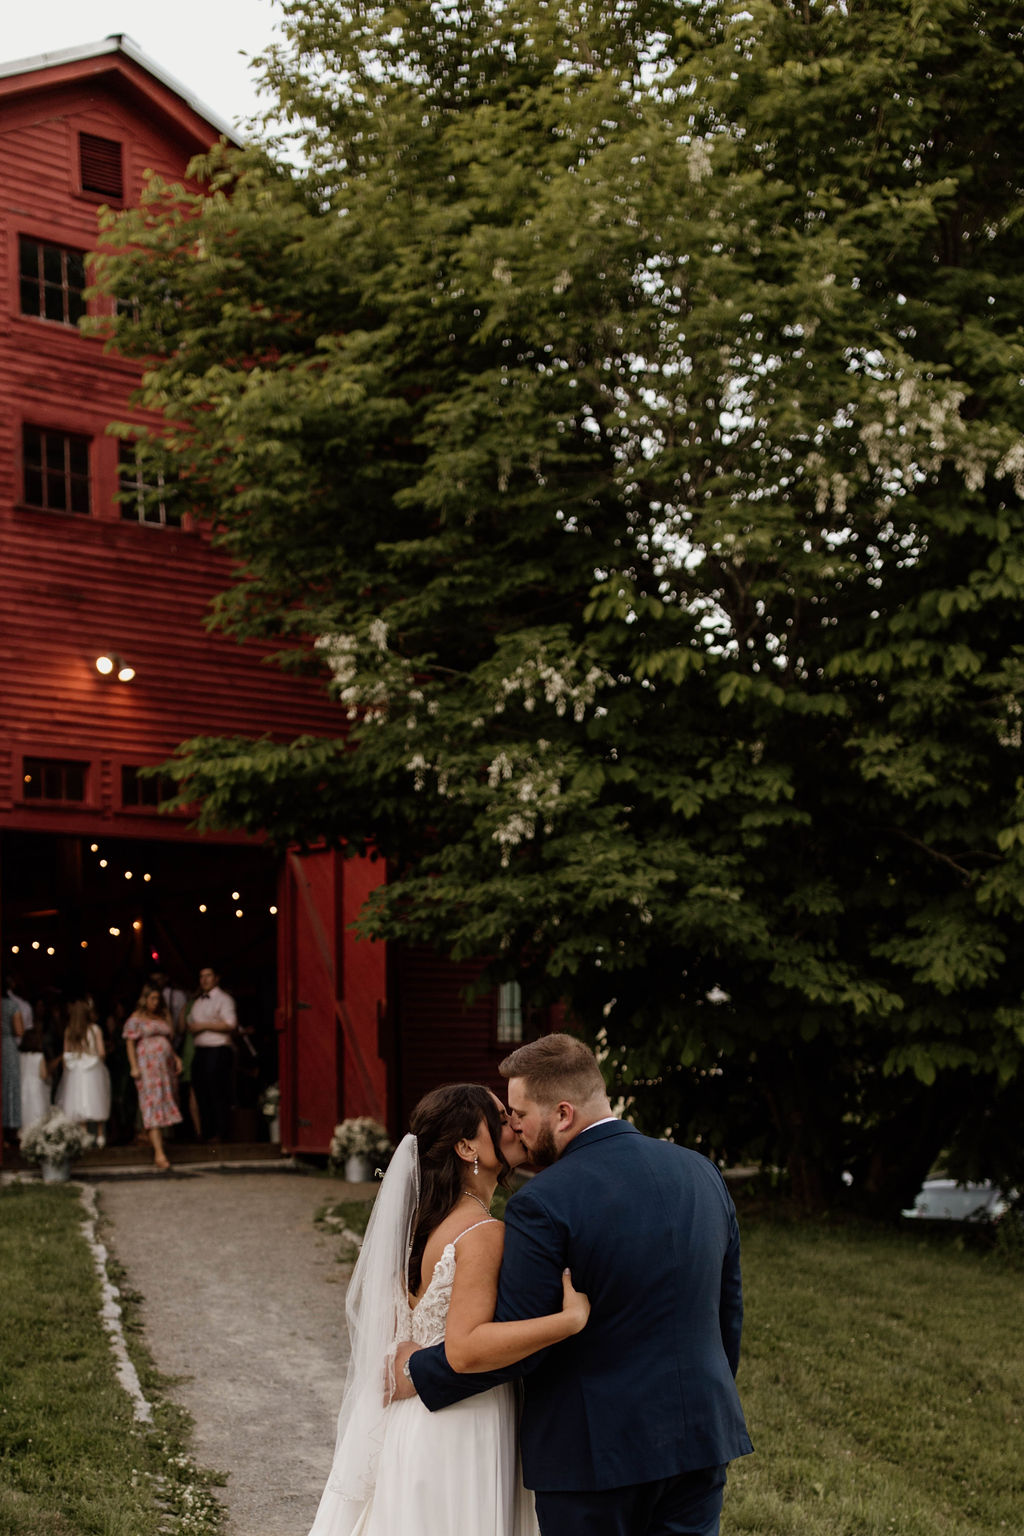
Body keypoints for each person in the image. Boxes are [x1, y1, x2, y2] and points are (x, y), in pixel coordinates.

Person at [395, 1034, 753, 1536]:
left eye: (518, 1113)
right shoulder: (701, 1173)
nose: (513, 1125)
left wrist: (419, 1367)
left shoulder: (545, 1201)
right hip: (699, 1438)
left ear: (562, 1114)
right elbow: (726, 1312)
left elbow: (521, 1342)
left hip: (591, 1455)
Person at [307, 1082, 590, 1536]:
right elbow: (468, 1346)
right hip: (463, 1420)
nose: (513, 1124)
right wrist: (568, 1320)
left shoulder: (421, 1225)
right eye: (498, 1119)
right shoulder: (482, 1233)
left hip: (408, 1420)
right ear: (464, 1146)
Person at [124, 987, 182, 1171]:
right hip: (147, 1067)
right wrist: (134, 1066)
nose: (156, 1002)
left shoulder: (163, 1016)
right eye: (152, 998)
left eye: (158, 999)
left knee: (164, 1103)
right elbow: (130, 1043)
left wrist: (175, 1057)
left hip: (165, 1069)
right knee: (152, 1104)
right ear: (145, 999)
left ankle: (161, 1144)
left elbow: (169, 1042)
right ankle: (159, 1153)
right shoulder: (136, 1018)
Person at [187, 966, 237, 1142]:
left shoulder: (224, 999)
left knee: (218, 1092)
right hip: (201, 1050)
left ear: (216, 978)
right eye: (201, 976)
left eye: (208, 976)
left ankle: (221, 1133)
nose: (204, 980)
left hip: (218, 1049)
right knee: (201, 1092)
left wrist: (204, 1026)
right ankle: (206, 1133)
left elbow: (230, 1024)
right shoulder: (198, 1001)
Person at [56, 998, 112, 1148]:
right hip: (92, 1070)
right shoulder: (95, 1030)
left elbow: (65, 1053)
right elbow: (101, 1052)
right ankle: (100, 1136)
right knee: (97, 1099)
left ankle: (84, 1135)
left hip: (76, 1072)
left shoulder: (69, 1031)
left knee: (78, 1101)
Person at [18, 1023, 54, 1133]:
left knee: (25, 1110)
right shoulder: (39, 1056)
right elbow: (43, 1075)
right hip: (36, 1087)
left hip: (23, 1086)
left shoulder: (20, 1056)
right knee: (37, 1110)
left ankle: (24, 1134)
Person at [2, 981, 25, 1149]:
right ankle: (9, 1128)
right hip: (7, 1047)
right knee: (10, 1086)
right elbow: (19, 1031)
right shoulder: (12, 1005)